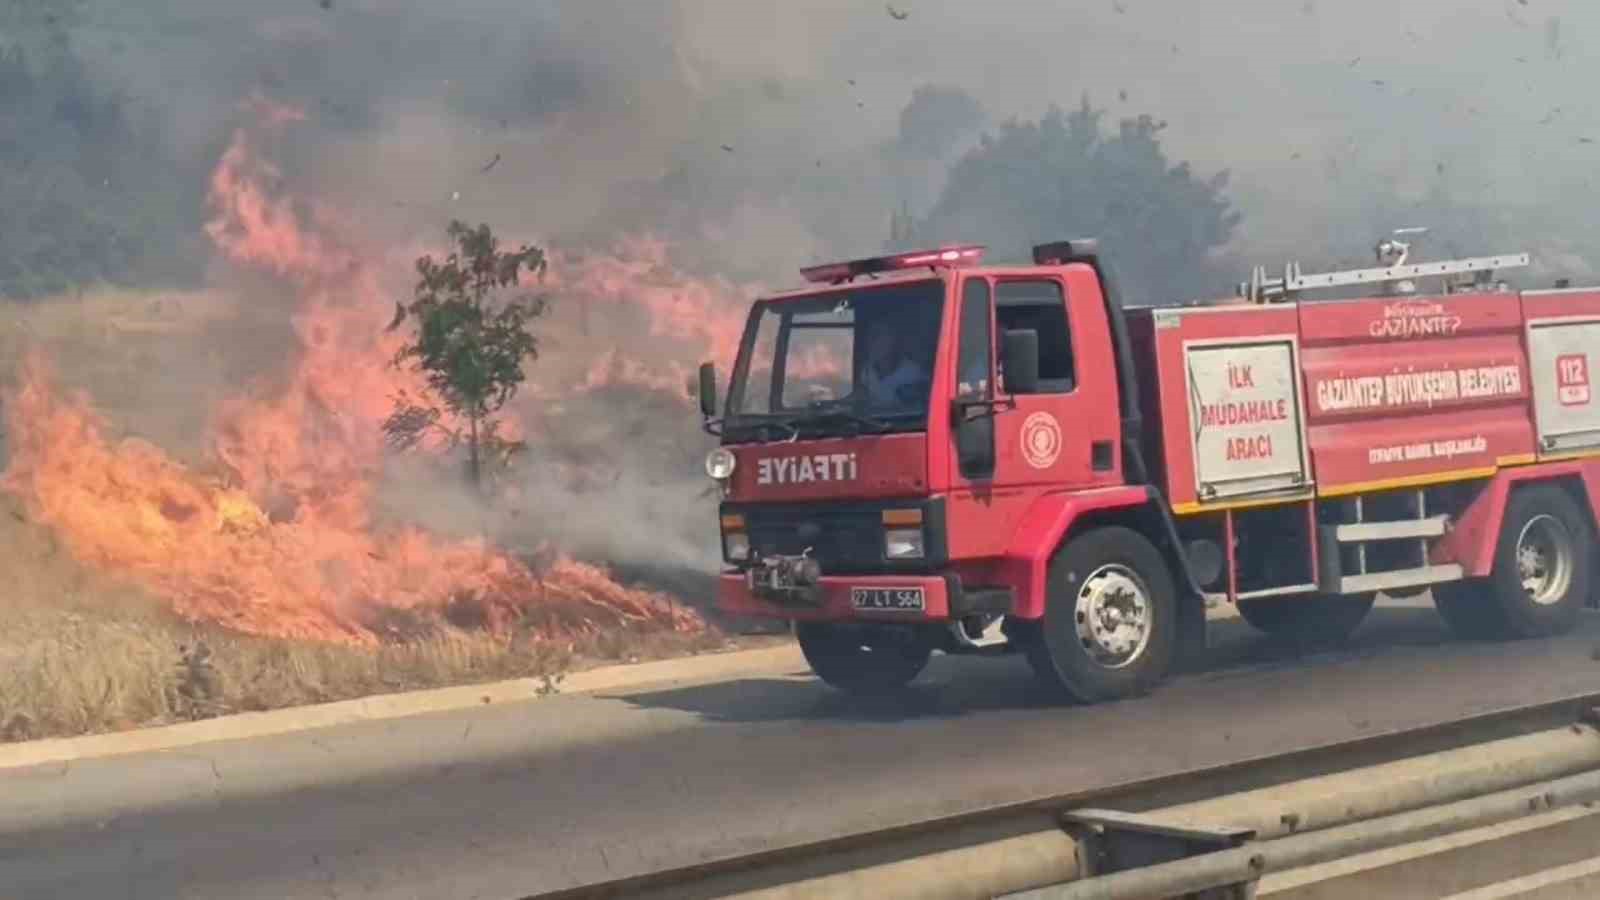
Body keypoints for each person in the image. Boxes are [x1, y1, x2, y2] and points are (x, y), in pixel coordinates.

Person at [860, 327, 928, 410]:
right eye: (869, 338)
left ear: (891, 343)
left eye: (876, 337)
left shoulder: (913, 373)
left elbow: (916, 409)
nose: (871, 343)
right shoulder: (867, 370)